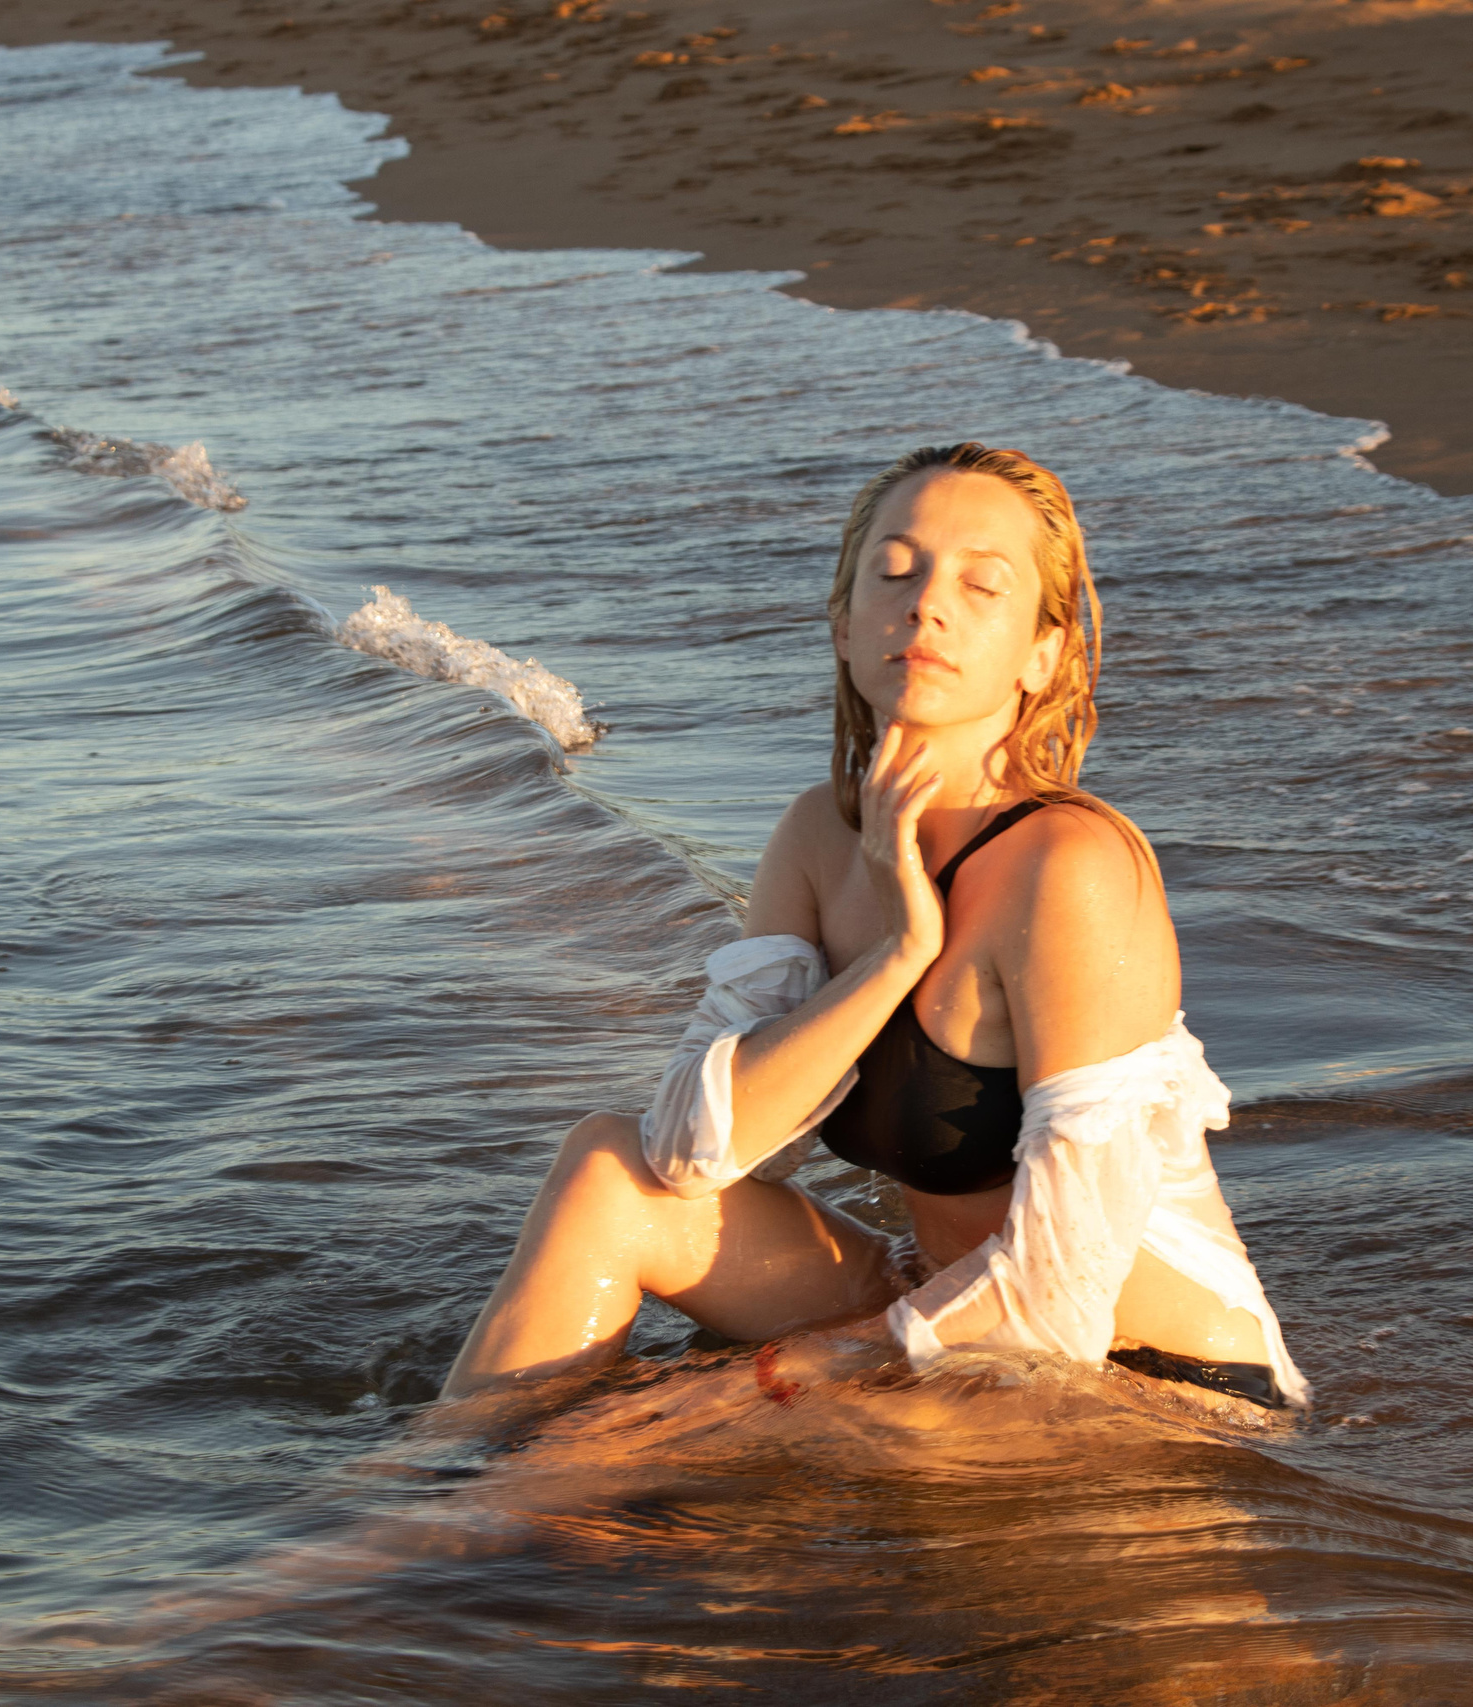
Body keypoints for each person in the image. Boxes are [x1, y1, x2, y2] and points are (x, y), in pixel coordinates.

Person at [443, 443, 1307, 1412]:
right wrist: (898, 952)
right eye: (895, 573)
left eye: (982, 586)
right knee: (608, 1169)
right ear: (846, 629)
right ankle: (438, 1473)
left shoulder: (1071, 865)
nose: (927, 604)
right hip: (939, 1298)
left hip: (1142, 1369)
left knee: (653, 1438)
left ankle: (438, 1530)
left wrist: (826, 1365)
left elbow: (1064, 1289)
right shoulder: (820, 835)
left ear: (1041, 653)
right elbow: (690, 1156)